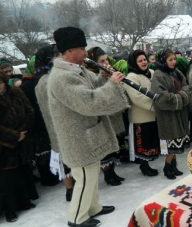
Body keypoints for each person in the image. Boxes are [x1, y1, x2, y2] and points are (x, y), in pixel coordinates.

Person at [47, 26, 129, 227]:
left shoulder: (78, 69)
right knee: (84, 177)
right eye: (82, 49)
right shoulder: (61, 77)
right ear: (69, 51)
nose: (86, 53)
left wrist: (105, 77)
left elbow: (93, 87)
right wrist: (113, 85)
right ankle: (76, 217)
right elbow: (89, 101)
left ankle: (93, 207)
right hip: (77, 138)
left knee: (91, 173)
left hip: (86, 135)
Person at [34, 45, 76, 202]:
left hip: (52, 126)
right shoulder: (50, 79)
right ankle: (72, 188)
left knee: (62, 156)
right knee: (67, 157)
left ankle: (70, 189)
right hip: (61, 123)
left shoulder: (39, 80)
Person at [84, 46, 126, 186]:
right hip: (103, 118)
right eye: (101, 61)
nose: (105, 64)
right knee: (106, 148)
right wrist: (106, 79)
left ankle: (112, 171)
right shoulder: (91, 77)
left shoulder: (107, 73)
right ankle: (107, 173)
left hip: (115, 116)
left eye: (106, 60)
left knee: (115, 146)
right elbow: (98, 95)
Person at [20, 45, 61, 187]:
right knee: (42, 152)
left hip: (45, 120)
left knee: (48, 149)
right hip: (37, 122)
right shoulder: (28, 85)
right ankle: (46, 176)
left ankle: (52, 174)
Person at [0, 70, 38, 223]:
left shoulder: (16, 92)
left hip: (22, 140)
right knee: (7, 180)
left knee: (22, 172)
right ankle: (10, 210)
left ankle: (25, 201)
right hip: (4, 144)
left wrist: (23, 131)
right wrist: (14, 136)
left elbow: (30, 111)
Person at [151, 49, 191, 180]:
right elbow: (161, 97)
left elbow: (187, 87)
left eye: (174, 59)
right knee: (171, 143)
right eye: (170, 60)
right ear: (163, 61)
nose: (174, 62)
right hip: (167, 116)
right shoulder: (158, 75)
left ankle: (173, 165)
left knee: (177, 142)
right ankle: (167, 167)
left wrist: (179, 96)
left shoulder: (176, 72)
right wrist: (180, 97)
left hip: (179, 114)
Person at [124, 50, 160, 177]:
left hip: (152, 115)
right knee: (142, 143)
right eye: (140, 61)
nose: (144, 62)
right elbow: (136, 97)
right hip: (140, 116)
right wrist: (155, 105)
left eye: (144, 59)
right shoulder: (131, 77)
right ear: (134, 63)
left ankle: (148, 163)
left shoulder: (151, 73)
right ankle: (144, 166)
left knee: (151, 141)